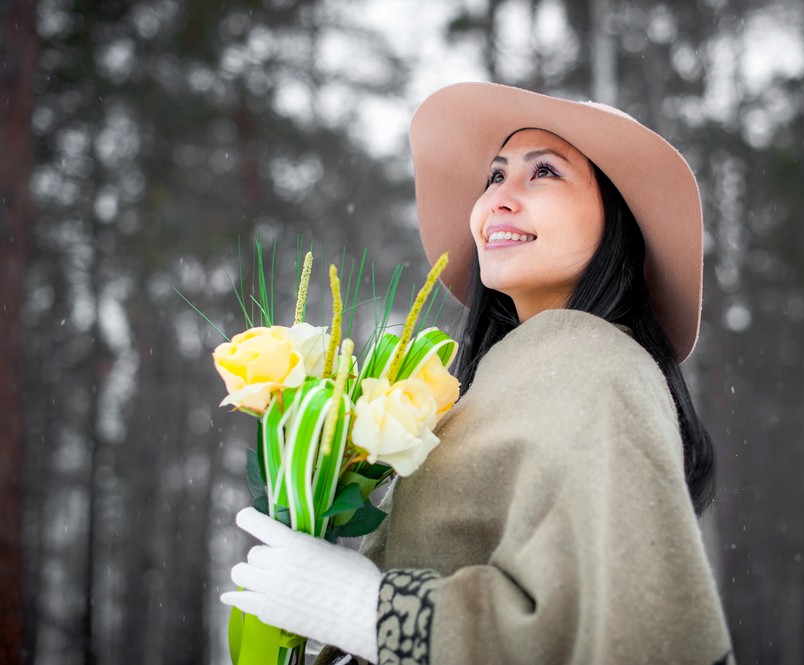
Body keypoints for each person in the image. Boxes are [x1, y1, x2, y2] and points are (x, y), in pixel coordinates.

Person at [222, 82, 735, 665]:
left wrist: (367, 610)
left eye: (544, 173)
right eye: (495, 176)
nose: (500, 199)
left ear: (615, 219)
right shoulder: (500, 378)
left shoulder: (593, 360)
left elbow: (631, 632)